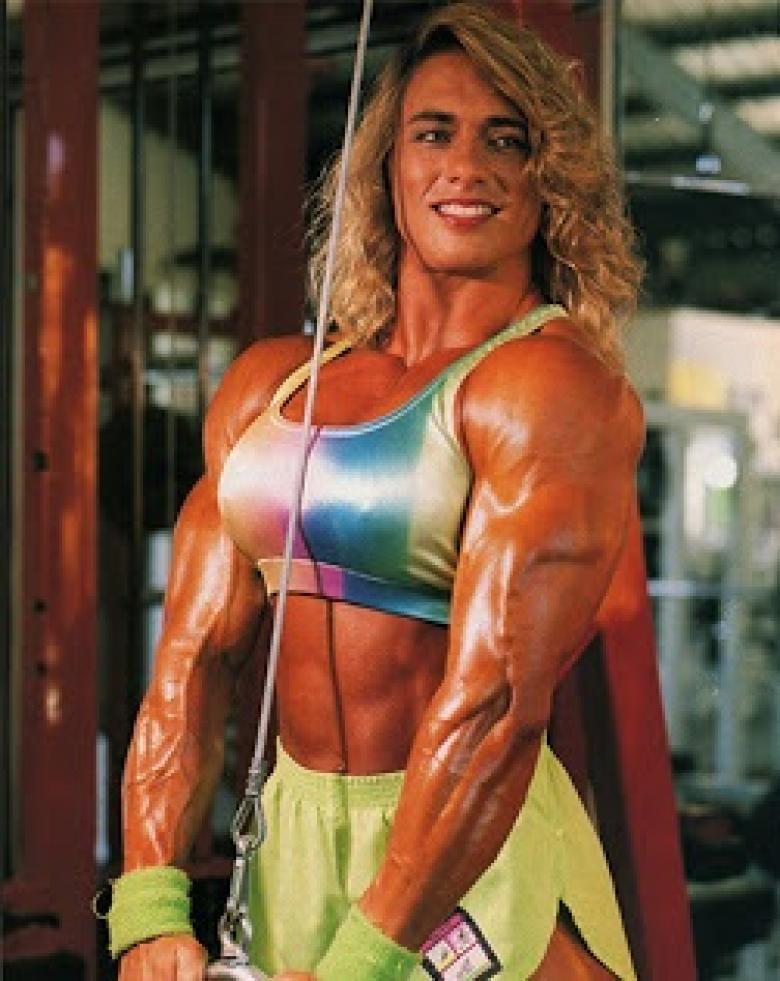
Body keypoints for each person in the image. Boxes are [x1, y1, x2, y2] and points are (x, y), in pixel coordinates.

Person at [109, 3, 645, 978]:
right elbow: (192, 658)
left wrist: (370, 956)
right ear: (385, 165)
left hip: (465, 869)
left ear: (550, 176)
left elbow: (490, 709)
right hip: (293, 846)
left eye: (506, 140)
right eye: (433, 133)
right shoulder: (270, 385)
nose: (465, 167)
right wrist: (149, 901)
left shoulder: (548, 386)